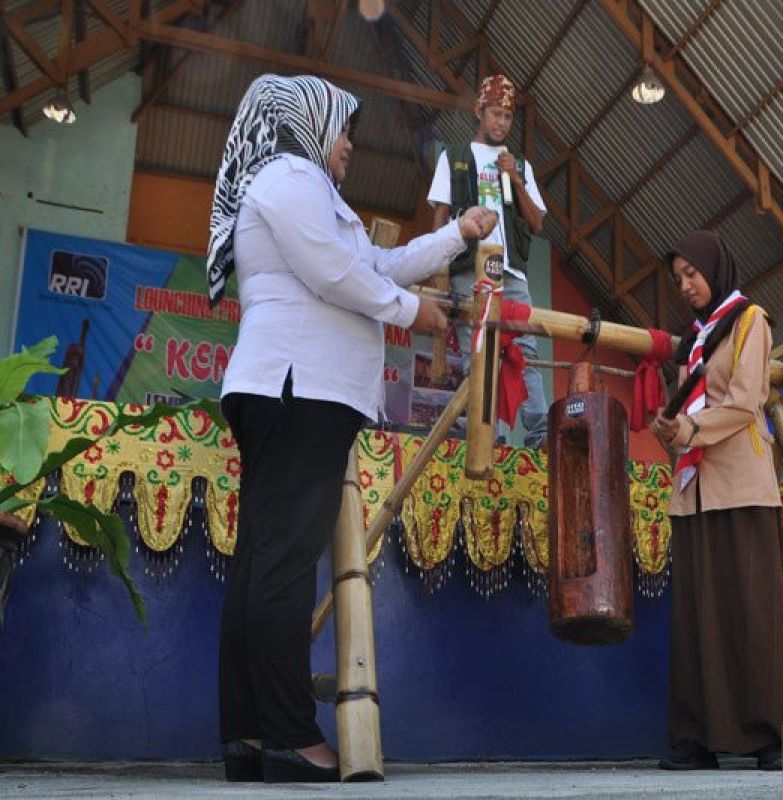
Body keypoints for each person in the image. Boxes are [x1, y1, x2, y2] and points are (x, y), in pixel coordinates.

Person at [208, 74, 495, 783]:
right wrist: (412, 313)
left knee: (262, 563)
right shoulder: (287, 176)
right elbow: (337, 273)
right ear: (309, 122)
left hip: (294, 389)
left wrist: (457, 235)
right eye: (344, 132)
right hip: (295, 387)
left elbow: (377, 263)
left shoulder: (308, 191)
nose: (348, 148)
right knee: (278, 565)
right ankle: (284, 735)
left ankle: (248, 737)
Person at [649, 230, 783, 771]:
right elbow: (691, 410)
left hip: (742, 486)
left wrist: (685, 429)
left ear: (716, 267)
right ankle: (697, 737)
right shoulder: (694, 340)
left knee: (751, 611)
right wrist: (668, 428)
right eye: (679, 279)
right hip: (694, 491)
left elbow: (743, 402)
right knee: (697, 617)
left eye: (693, 273)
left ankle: (768, 738)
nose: (687, 285)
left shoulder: (751, 321)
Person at [427, 73, 549, 447]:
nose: (500, 123)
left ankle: (539, 432)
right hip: (469, 269)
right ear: (478, 111)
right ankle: (487, 434)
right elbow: (439, 219)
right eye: (495, 113)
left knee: (525, 350)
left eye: (507, 117)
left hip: (512, 272)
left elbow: (537, 223)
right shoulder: (454, 156)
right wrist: (438, 269)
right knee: (475, 350)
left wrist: (515, 178)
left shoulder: (520, 164)